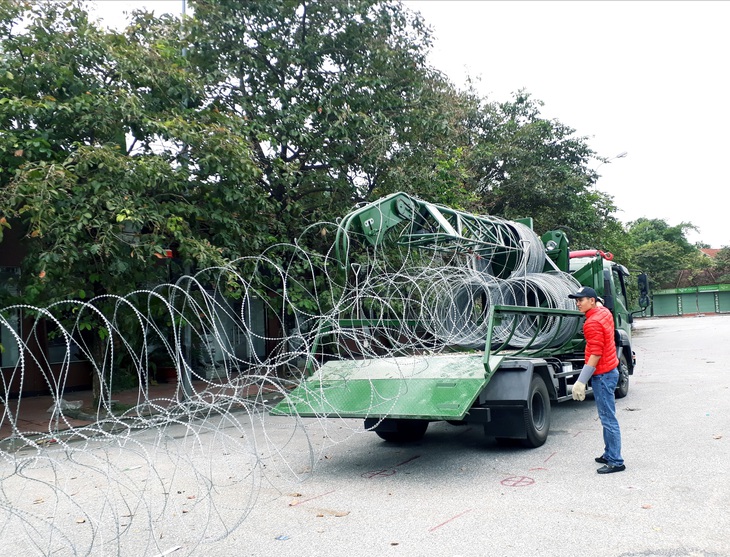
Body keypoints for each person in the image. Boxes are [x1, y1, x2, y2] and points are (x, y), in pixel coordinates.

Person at [568, 286, 626, 474]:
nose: (578, 303)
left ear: (591, 301)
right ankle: (609, 453)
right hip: (611, 370)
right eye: (576, 300)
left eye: (581, 300)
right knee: (606, 417)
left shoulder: (591, 323)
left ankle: (616, 461)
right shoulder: (604, 312)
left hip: (601, 374)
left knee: (608, 418)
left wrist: (581, 381)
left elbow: (595, 353)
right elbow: (600, 301)